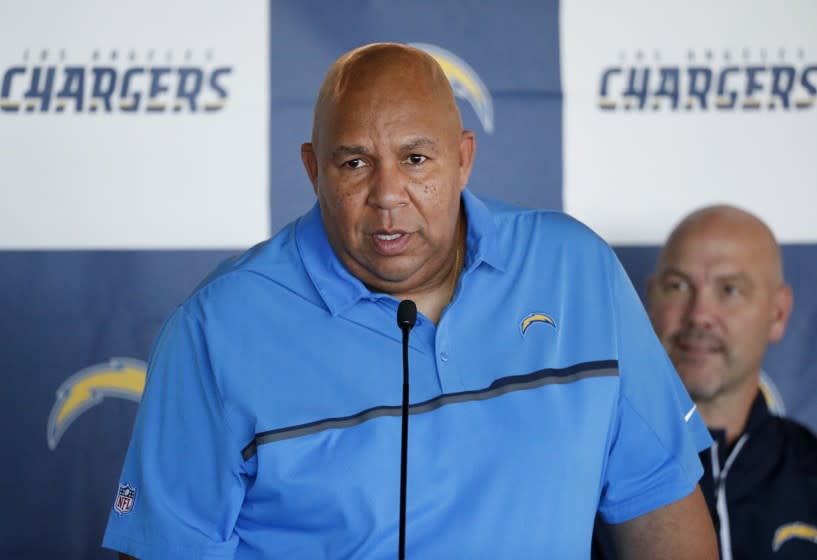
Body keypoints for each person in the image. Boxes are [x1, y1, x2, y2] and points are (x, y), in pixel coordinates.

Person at [103, 43, 717, 559]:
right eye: (354, 163)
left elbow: (660, 509)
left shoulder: (576, 272)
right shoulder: (216, 328)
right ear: (315, 170)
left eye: (416, 159)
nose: (388, 194)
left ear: (463, 159)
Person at [594, 205, 817, 559]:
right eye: (678, 286)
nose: (699, 314)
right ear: (650, 300)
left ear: (778, 312)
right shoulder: (588, 475)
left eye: (729, 289)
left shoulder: (808, 470)